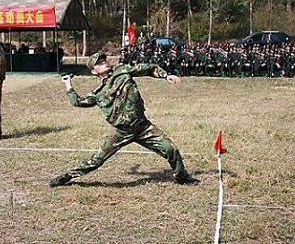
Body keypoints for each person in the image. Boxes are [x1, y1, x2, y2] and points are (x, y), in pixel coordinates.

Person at [49, 52, 199, 187]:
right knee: (96, 160)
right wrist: (68, 84)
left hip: (143, 126)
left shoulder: (122, 70)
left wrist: (166, 75)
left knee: (170, 148)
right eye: (99, 63)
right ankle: (68, 176)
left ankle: (182, 177)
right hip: (122, 132)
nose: (104, 62)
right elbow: (78, 102)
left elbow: (148, 68)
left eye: (104, 60)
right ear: (94, 71)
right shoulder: (97, 93)